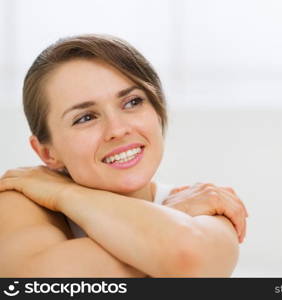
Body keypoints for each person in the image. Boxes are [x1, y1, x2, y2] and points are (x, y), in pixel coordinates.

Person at [0, 34, 248, 277]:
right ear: (46, 152)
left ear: (158, 112)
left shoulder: (208, 205)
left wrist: (66, 193)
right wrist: (176, 216)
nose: (117, 129)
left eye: (132, 102)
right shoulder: (22, 203)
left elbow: (187, 261)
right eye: (85, 118)